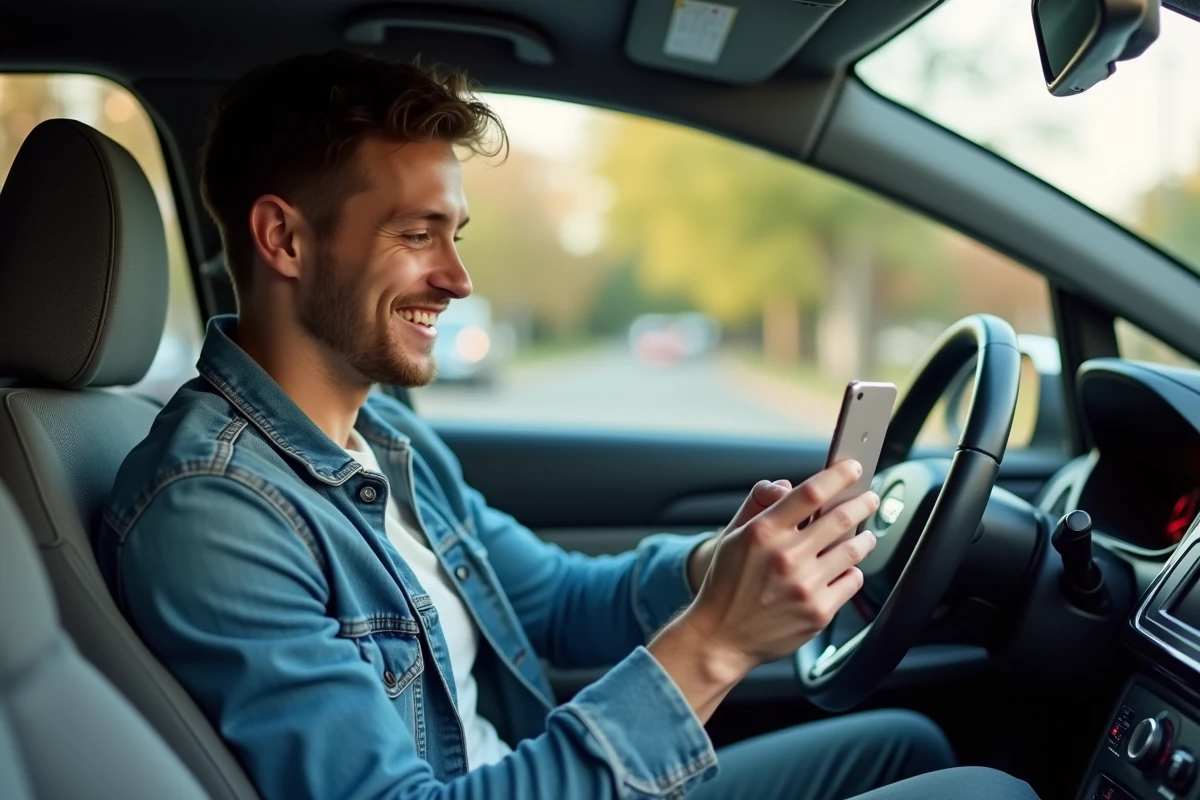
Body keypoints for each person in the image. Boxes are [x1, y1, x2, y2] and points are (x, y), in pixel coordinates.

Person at [97, 50, 1039, 800]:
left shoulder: (384, 437)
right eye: (417, 234)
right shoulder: (213, 510)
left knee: (905, 747)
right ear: (285, 239)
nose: (460, 280)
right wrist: (715, 640)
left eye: (454, 236)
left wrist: (712, 568)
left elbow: (544, 598)